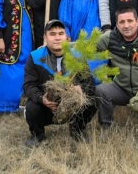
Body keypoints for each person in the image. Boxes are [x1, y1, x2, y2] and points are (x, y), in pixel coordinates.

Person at [23, 19, 97, 148]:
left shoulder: (78, 57)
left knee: (92, 99)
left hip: (71, 106)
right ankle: (37, 134)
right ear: (45, 37)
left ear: (67, 37)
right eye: (52, 34)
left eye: (60, 33)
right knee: (31, 107)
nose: (57, 38)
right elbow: (29, 85)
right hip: (46, 107)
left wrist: (80, 88)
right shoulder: (35, 57)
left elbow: (89, 82)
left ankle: (77, 130)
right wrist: (42, 99)